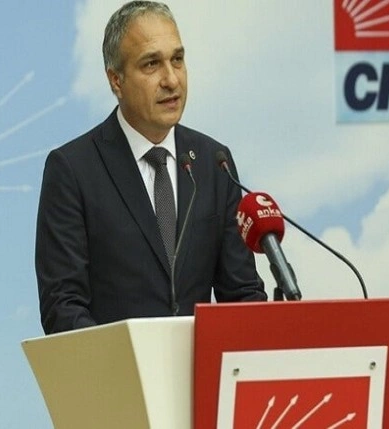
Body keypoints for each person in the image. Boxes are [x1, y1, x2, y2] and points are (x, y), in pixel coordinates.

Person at [35, 1, 267, 334]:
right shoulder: (73, 170)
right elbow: (63, 306)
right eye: (151, 64)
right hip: (115, 367)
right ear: (116, 80)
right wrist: (124, 359)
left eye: (177, 59)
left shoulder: (214, 162)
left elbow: (242, 293)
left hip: (198, 366)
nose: (171, 79)